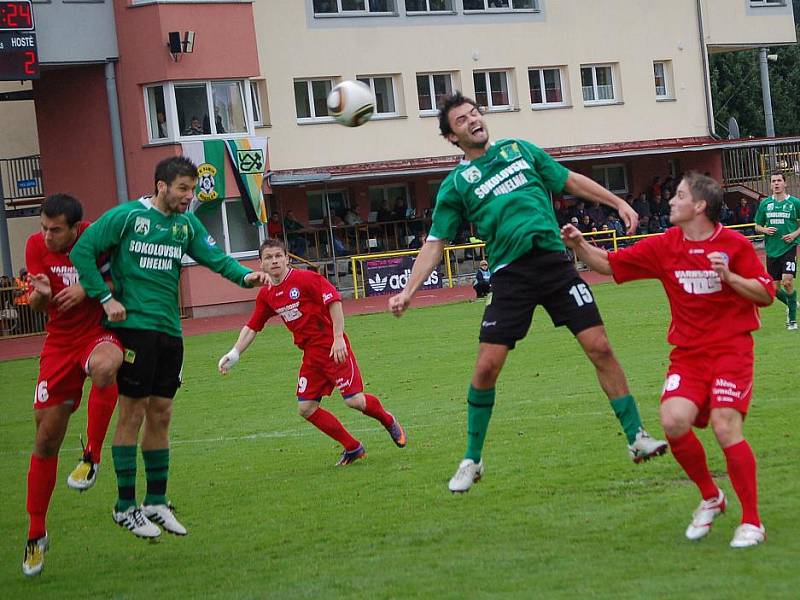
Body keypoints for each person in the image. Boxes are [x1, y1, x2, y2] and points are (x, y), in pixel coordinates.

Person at [388, 92, 667, 493]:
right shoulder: (455, 185)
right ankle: (473, 457)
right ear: (452, 137)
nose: (473, 120)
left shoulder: (520, 150)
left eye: (475, 113)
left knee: (600, 346)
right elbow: (435, 243)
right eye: (462, 120)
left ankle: (637, 438)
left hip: (554, 263)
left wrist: (616, 202)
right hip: (510, 276)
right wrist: (409, 291)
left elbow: (567, 179)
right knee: (486, 368)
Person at [562, 172, 773, 548]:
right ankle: (711, 496)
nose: (671, 202)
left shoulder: (734, 244)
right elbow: (610, 265)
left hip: (731, 351)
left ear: (699, 206)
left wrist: (729, 278)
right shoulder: (664, 245)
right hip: (688, 355)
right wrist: (579, 246)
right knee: (673, 421)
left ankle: (752, 521)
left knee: (726, 427)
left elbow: (764, 294)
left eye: (679, 196)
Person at [70, 156, 268, 540]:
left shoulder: (186, 225)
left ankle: (155, 501)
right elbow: (82, 252)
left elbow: (216, 258)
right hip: (134, 330)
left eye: (192, 189)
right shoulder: (128, 217)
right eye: (183, 189)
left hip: (169, 332)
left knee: (161, 413)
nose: (188, 196)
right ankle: (124, 506)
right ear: (161, 185)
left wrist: (247, 277)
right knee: (133, 413)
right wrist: (103, 298)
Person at [218, 238, 406, 465]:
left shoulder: (305, 279)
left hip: (333, 348)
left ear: (287, 258)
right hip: (311, 356)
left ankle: (388, 420)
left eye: (279, 255)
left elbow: (334, 300)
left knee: (354, 401)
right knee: (306, 407)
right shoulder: (267, 294)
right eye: (269, 257)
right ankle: (353, 448)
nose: (275, 260)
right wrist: (235, 353)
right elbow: (252, 326)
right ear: (261, 264)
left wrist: (338, 338)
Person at [21, 194, 124, 577]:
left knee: (106, 366)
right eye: (43, 228)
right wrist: (40, 297)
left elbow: (124, 275)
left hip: (98, 333)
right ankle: (36, 533)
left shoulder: (97, 238)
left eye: (56, 230)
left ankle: (92, 456)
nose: (47, 236)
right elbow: (37, 303)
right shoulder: (35, 246)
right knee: (46, 441)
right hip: (59, 345)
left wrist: (88, 287)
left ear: (76, 228)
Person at [754, 171, 800, 330]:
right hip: (772, 250)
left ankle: (792, 321)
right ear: (771, 184)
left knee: (787, 282)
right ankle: (792, 303)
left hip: (789, 247)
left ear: (785, 183)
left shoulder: (795, 203)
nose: (776, 184)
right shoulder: (765, 204)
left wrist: (794, 234)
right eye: (773, 181)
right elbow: (757, 225)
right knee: (773, 289)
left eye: (779, 180)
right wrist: (765, 230)